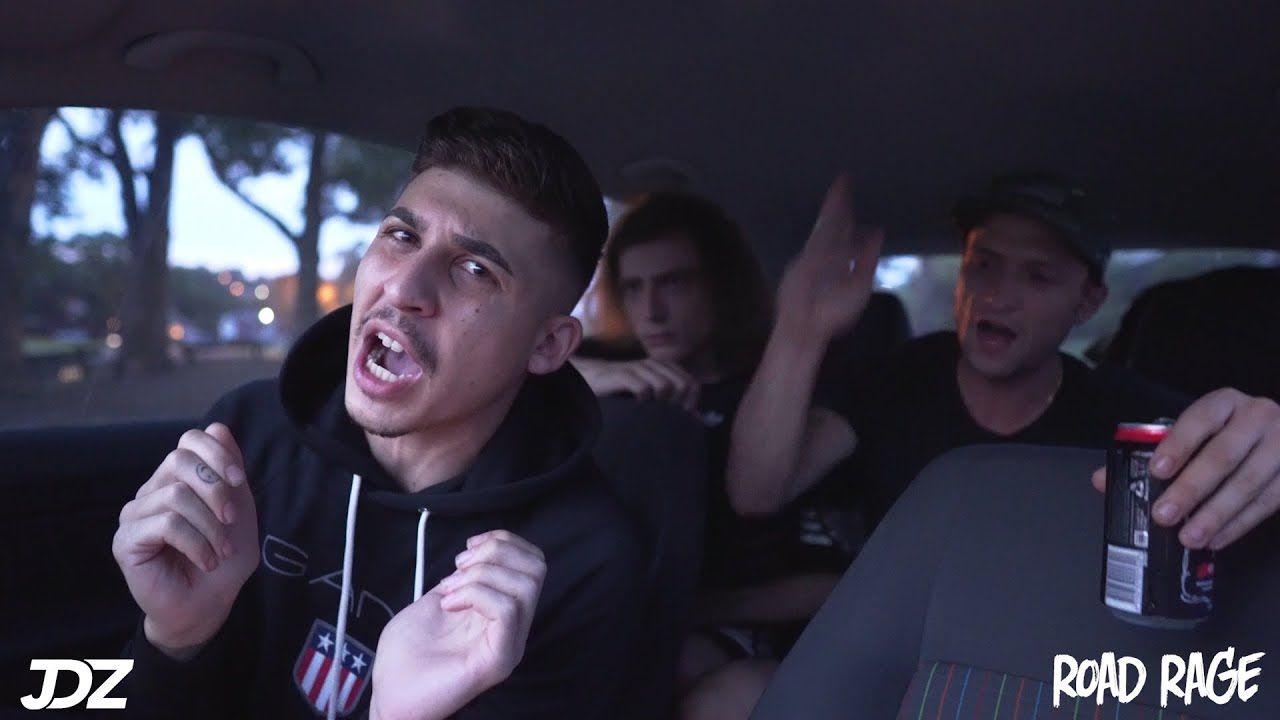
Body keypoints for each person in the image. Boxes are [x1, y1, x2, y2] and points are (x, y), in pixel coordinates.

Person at [112, 107, 644, 720]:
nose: (404, 288)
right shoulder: (247, 437)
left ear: (547, 344)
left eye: (475, 270)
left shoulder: (578, 559)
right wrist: (176, 638)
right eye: (402, 237)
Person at [728, 171, 1280, 557]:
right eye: (983, 265)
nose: (996, 296)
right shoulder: (896, 379)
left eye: (1038, 276)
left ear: (1086, 304)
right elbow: (756, 494)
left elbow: (1234, 459)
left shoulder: (1124, 414)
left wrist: (1262, 436)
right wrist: (800, 332)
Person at [570, 192, 851, 720]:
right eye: (634, 288)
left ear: (720, 284)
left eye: (674, 283)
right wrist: (598, 376)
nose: (651, 310)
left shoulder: (780, 393)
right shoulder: (605, 367)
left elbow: (835, 579)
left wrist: (699, 607)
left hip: (734, 628)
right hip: (604, 604)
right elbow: (505, 371)